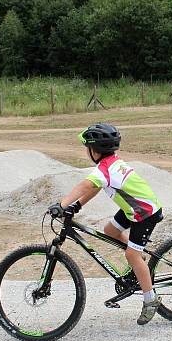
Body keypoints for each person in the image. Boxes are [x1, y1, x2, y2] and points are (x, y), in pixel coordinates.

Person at [49, 123, 164, 325]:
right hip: (134, 209)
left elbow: (86, 185)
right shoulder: (108, 165)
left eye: (87, 148)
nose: (86, 152)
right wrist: (76, 206)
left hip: (145, 213)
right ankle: (139, 261)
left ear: (95, 150)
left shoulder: (105, 169)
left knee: (131, 254)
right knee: (109, 230)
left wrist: (62, 204)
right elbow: (94, 188)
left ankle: (150, 299)